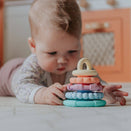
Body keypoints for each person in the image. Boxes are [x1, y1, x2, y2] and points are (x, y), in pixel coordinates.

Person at [0, 0, 128, 105]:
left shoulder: (79, 65)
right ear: (33, 46)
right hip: (9, 73)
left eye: (72, 51)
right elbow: (21, 86)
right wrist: (42, 94)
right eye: (52, 53)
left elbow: (92, 83)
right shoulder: (33, 64)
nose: (62, 60)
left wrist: (102, 91)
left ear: (79, 43)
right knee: (16, 72)